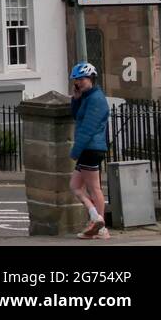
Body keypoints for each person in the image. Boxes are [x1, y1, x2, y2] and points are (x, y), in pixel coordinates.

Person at [69, 61, 110, 240]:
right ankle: (96, 220)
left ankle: (100, 226)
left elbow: (88, 128)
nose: (79, 82)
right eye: (76, 80)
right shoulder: (87, 97)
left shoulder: (96, 99)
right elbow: (76, 116)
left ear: (91, 78)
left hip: (91, 148)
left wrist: (75, 151)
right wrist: (76, 99)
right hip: (90, 148)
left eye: (82, 79)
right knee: (75, 186)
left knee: (94, 189)